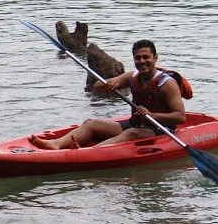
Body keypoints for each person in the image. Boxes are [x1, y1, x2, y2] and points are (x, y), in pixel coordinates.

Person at [29, 40, 186, 150]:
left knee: (132, 133)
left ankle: (89, 152)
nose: (142, 61)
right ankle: (56, 144)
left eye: (146, 57)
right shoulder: (132, 77)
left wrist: (151, 115)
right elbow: (96, 87)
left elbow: (180, 117)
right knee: (91, 123)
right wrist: (108, 84)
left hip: (161, 129)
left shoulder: (166, 84)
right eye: (138, 58)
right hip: (137, 123)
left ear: (155, 58)